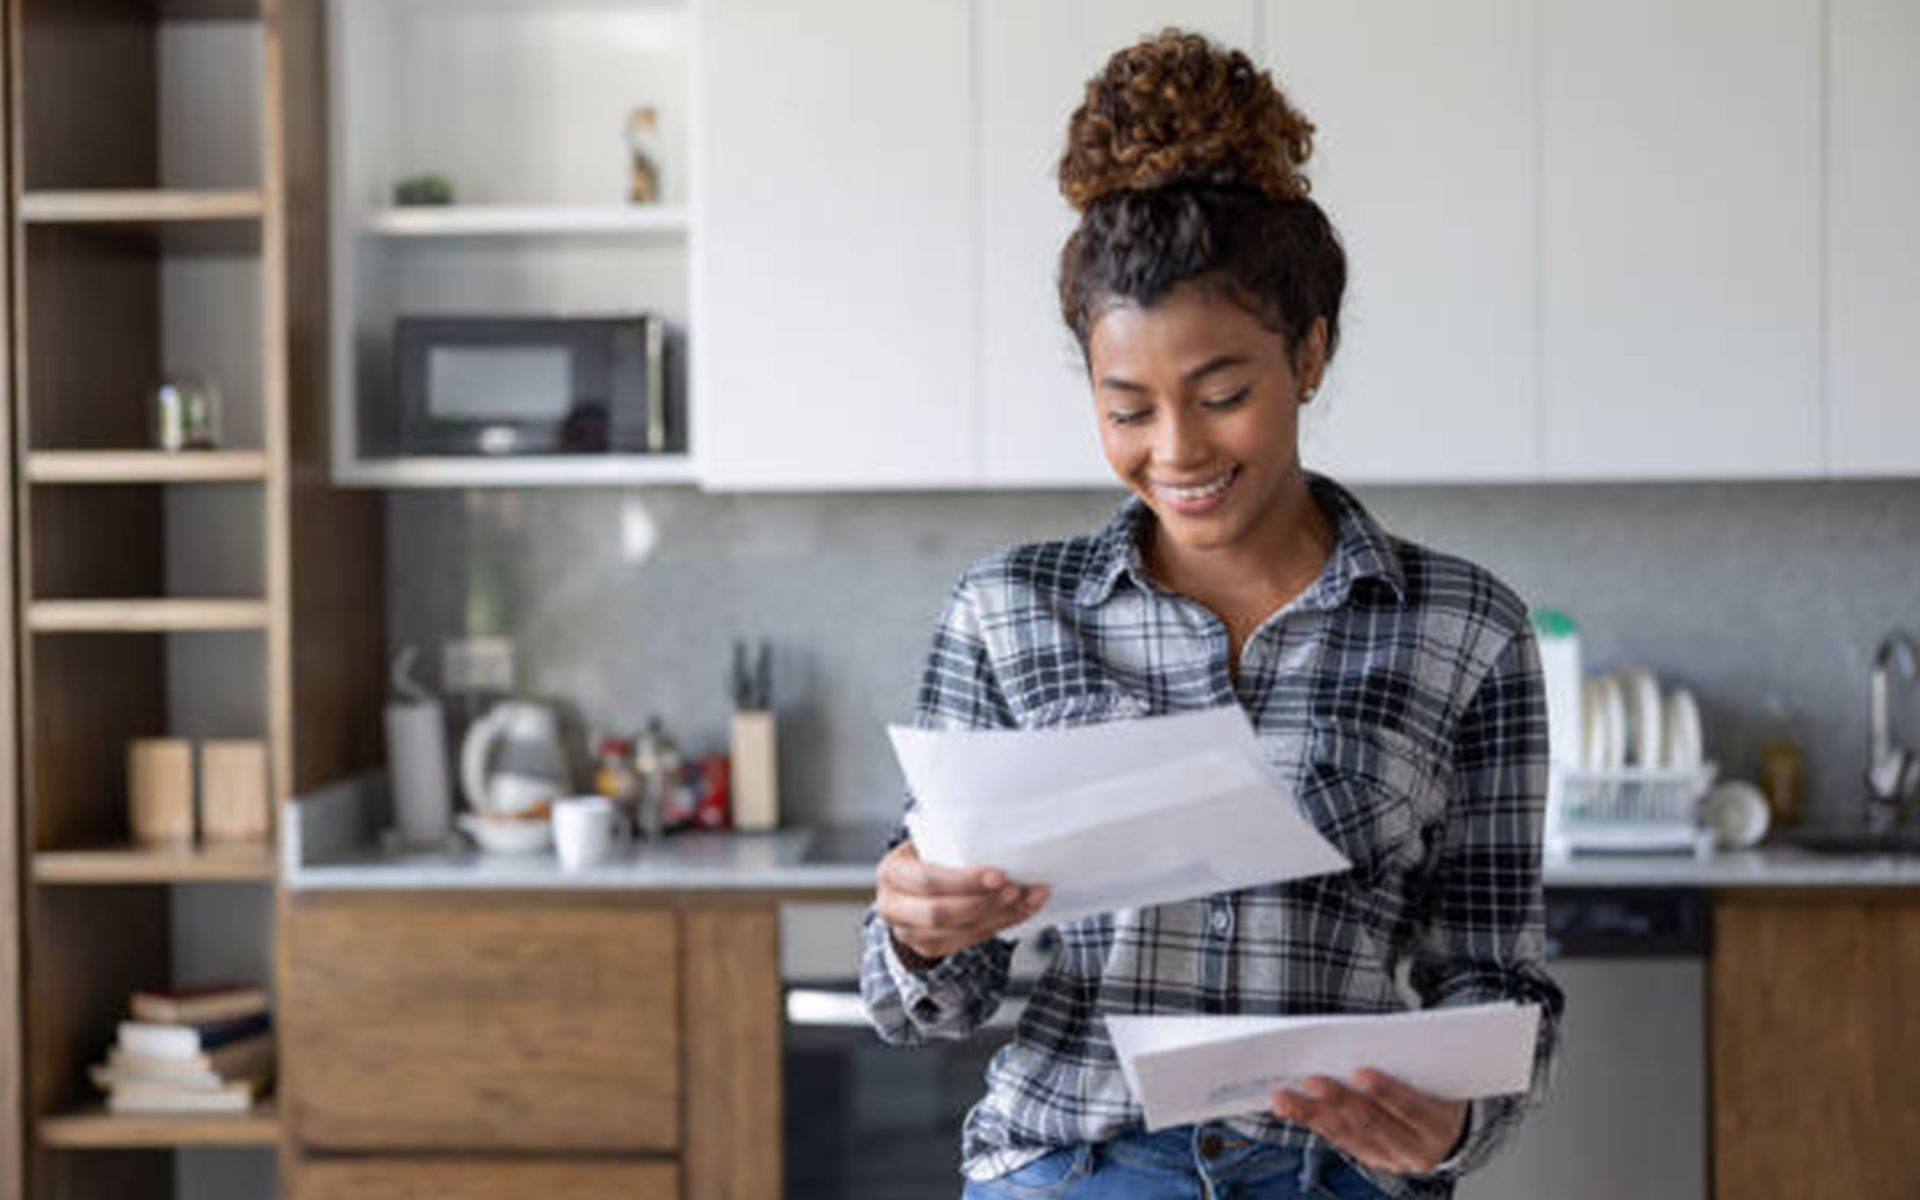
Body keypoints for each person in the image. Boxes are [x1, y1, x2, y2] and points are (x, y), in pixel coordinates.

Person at [861, 29, 1563, 1200]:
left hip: (1331, 1177)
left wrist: (1453, 1127)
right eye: (1126, 407)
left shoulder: (1464, 627)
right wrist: (923, 928)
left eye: (1224, 394)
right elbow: (926, 1005)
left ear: (1312, 354)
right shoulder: (1007, 611)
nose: (1176, 451)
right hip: (1073, 1163)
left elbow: (1498, 981)